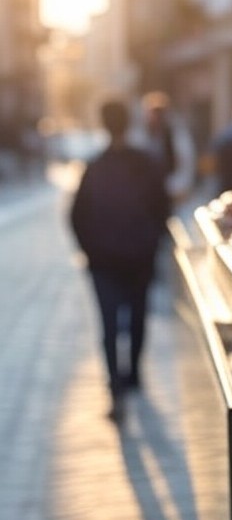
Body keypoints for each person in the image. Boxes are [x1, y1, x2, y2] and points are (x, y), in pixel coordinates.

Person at [70, 99, 171, 421]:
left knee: (109, 324)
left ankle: (116, 385)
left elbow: (76, 216)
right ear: (129, 123)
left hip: (103, 262)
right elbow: (162, 208)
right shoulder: (146, 162)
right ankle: (135, 376)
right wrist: (152, 242)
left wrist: (90, 249)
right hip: (139, 257)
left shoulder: (94, 166)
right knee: (138, 315)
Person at [129, 90, 196, 202]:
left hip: (170, 188)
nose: (155, 117)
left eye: (159, 113)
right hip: (144, 191)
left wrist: (178, 187)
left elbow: (185, 161)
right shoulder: (138, 136)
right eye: (152, 113)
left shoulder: (175, 134)